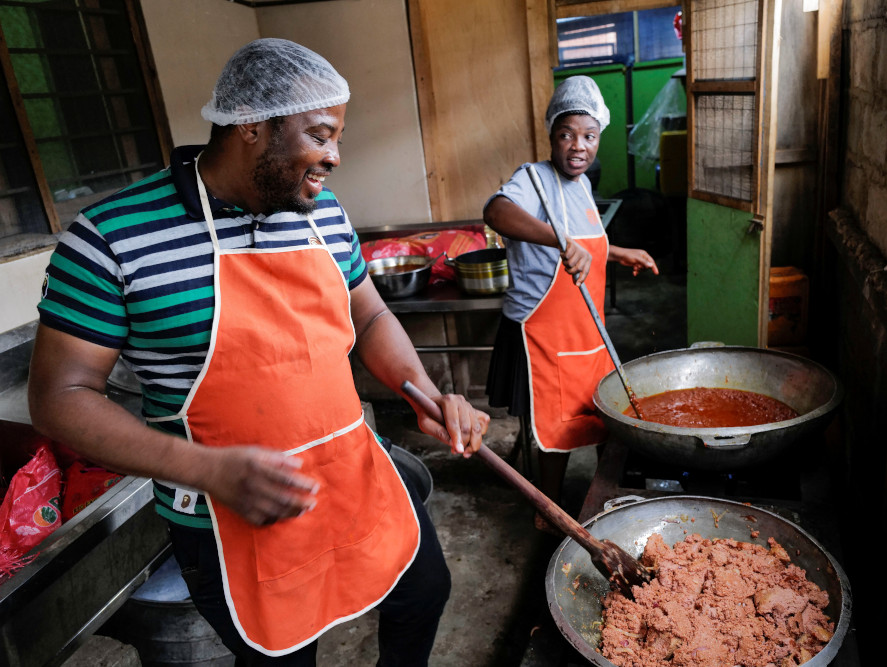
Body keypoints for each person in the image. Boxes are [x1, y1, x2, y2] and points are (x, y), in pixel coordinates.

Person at [28, 38, 488, 666]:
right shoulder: (110, 237)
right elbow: (61, 398)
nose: (334, 156)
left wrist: (423, 390)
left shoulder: (322, 212)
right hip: (230, 516)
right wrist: (207, 469)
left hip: (355, 476)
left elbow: (371, 313)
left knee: (423, 594)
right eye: (320, 135)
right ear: (251, 124)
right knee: (284, 655)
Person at [483, 76, 658, 532]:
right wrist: (557, 239)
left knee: (601, 416)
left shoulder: (581, 185)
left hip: (586, 328)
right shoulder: (533, 178)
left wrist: (619, 253)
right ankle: (549, 512)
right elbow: (495, 212)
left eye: (588, 136)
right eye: (566, 135)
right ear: (551, 136)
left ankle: (611, 496)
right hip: (542, 332)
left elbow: (587, 244)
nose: (577, 146)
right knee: (555, 425)